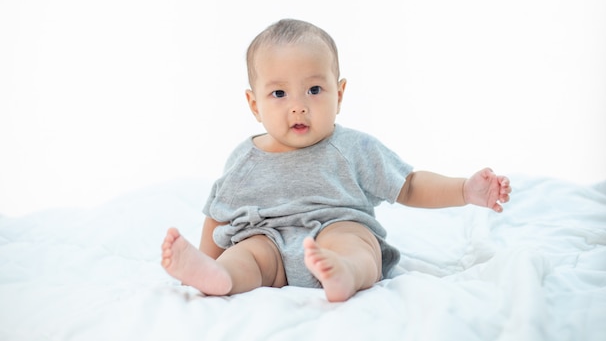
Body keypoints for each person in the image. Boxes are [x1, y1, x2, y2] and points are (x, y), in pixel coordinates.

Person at [161, 19, 512, 302]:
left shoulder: (352, 147)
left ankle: (343, 271)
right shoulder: (244, 160)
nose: (298, 105)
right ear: (255, 105)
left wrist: (465, 190)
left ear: (339, 94)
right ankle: (218, 278)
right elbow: (218, 214)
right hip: (269, 240)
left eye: (314, 90)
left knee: (354, 242)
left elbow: (410, 185)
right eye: (279, 93)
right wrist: (208, 257)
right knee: (249, 254)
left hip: (336, 226)